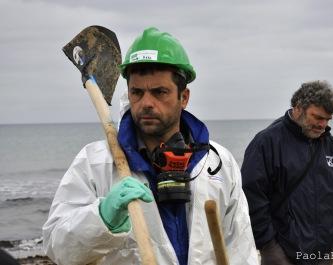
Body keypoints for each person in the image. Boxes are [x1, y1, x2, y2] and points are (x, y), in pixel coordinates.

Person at [43, 27, 258, 265]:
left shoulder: (218, 164)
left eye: (160, 92)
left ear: (184, 97)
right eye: (137, 92)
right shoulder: (95, 163)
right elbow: (57, 247)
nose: (146, 103)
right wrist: (101, 218)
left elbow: (241, 249)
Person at [241, 81, 333, 265]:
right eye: (317, 117)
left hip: (324, 252)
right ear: (298, 108)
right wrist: (268, 245)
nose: (322, 124)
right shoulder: (267, 142)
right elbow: (250, 194)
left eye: (327, 119)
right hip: (282, 252)